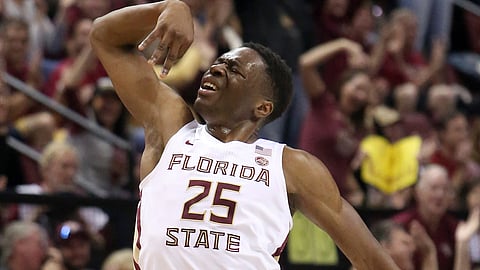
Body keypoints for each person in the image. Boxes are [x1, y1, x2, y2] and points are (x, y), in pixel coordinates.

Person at [89, 1, 399, 269]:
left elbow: (372, 259)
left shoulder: (291, 166)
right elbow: (104, 36)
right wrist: (167, 8)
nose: (216, 69)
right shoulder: (172, 127)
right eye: (218, 62)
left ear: (262, 107)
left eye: (234, 69)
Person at [393, 163, 458, 270]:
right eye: (434, 188)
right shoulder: (399, 225)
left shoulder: (456, 229)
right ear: (418, 192)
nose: (440, 195)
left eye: (445, 189)